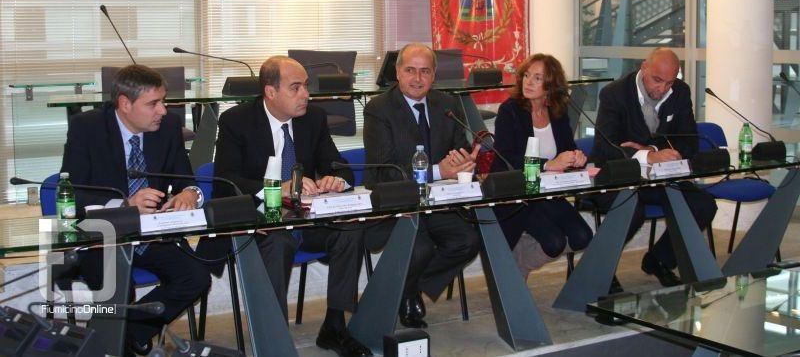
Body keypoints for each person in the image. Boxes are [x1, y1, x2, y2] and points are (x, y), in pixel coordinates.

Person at [213, 56, 371, 357]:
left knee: (350, 229)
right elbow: (225, 181)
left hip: (307, 221)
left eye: (306, 86)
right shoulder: (237, 121)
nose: (306, 95)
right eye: (296, 88)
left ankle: (335, 326)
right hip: (263, 224)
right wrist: (275, 188)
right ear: (270, 92)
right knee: (278, 242)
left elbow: (340, 167)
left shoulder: (313, 118)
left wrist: (335, 180)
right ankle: (274, 337)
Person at [61, 64, 211, 356]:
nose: (163, 111)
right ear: (125, 104)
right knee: (119, 288)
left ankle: (124, 336)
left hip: (151, 233)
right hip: (103, 236)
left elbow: (187, 180)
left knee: (195, 277)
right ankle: (118, 341)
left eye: (163, 101)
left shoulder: (168, 127)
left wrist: (189, 195)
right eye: (153, 104)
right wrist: (125, 205)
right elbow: (72, 195)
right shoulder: (87, 128)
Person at [363, 42, 481, 329]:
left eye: (425, 71)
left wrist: (465, 162)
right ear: (397, 73)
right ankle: (405, 292)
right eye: (410, 70)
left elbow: (460, 149)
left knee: (468, 240)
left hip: (437, 202)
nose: (417, 78)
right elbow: (385, 172)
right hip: (396, 203)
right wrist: (440, 170)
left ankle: (408, 288)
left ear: (434, 75)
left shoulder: (447, 105)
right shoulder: (378, 109)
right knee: (421, 248)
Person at [592, 47, 718, 288]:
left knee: (702, 205)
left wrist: (654, 150)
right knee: (631, 210)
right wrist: (649, 155)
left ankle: (659, 260)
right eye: (657, 80)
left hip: (661, 178)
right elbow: (605, 148)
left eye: (669, 82)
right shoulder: (615, 94)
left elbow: (689, 142)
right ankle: (600, 269)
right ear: (644, 68)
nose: (663, 88)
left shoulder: (680, 92)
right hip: (619, 178)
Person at [490, 53, 593, 271]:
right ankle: (518, 262)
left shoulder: (557, 111)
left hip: (548, 191)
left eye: (537, 78)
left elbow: (566, 149)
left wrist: (576, 157)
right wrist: (547, 164)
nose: (528, 82)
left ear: (551, 85)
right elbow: (505, 157)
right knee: (554, 242)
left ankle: (521, 255)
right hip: (518, 194)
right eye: (527, 75)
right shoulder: (510, 110)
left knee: (582, 236)